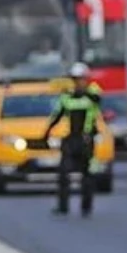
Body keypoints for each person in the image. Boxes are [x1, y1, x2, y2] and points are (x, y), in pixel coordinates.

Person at [42, 62, 102, 217]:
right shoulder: (66, 97)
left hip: (87, 140)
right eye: (75, 79)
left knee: (88, 176)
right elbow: (57, 116)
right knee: (63, 174)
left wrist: (83, 91)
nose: (78, 82)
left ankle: (86, 207)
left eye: (81, 79)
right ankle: (63, 206)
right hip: (71, 140)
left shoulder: (93, 94)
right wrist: (47, 132)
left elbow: (97, 99)